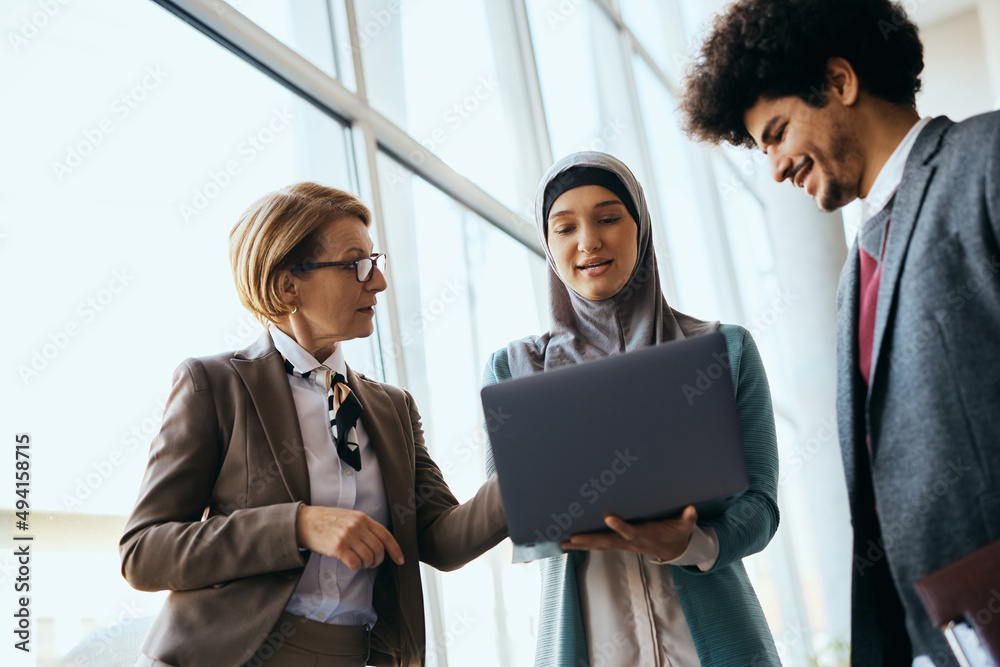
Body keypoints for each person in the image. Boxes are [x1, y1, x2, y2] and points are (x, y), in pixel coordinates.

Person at [679, 1, 1000, 665]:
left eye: (776, 133)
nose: (773, 167)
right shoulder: (854, 276)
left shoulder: (986, 162)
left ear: (840, 82)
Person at [120, 182, 508, 667]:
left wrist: (526, 475)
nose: (378, 282)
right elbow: (144, 552)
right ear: (288, 284)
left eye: (376, 261)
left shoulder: (393, 408)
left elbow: (443, 540)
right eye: (355, 264)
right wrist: (299, 525)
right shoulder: (213, 384)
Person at [483, 151, 781, 666]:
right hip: (592, 647)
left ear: (639, 227)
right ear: (549, 247)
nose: (588, 241)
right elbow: (512, 516)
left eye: (607, 218)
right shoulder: (514, 371)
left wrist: (693, 543)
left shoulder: (723, 351)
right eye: (565, 227)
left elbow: (759, 508)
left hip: (714, 646)